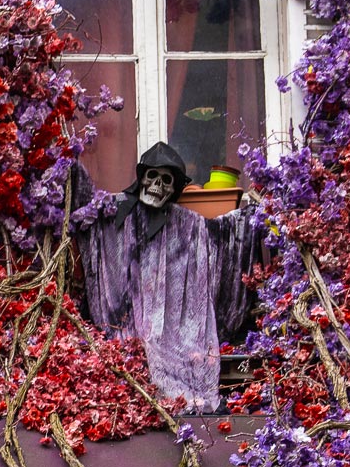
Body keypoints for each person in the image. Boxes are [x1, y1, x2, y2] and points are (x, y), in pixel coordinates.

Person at [76, 143, 268, 410]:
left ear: (175, 188)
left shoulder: (186, 224)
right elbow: (83, 214)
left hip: (169, 341)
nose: (157, 185)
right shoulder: (114, 211)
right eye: (152, 176)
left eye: (166, 180)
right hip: (124, 332)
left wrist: (248, 218)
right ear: (141, 177)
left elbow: (218, 237)